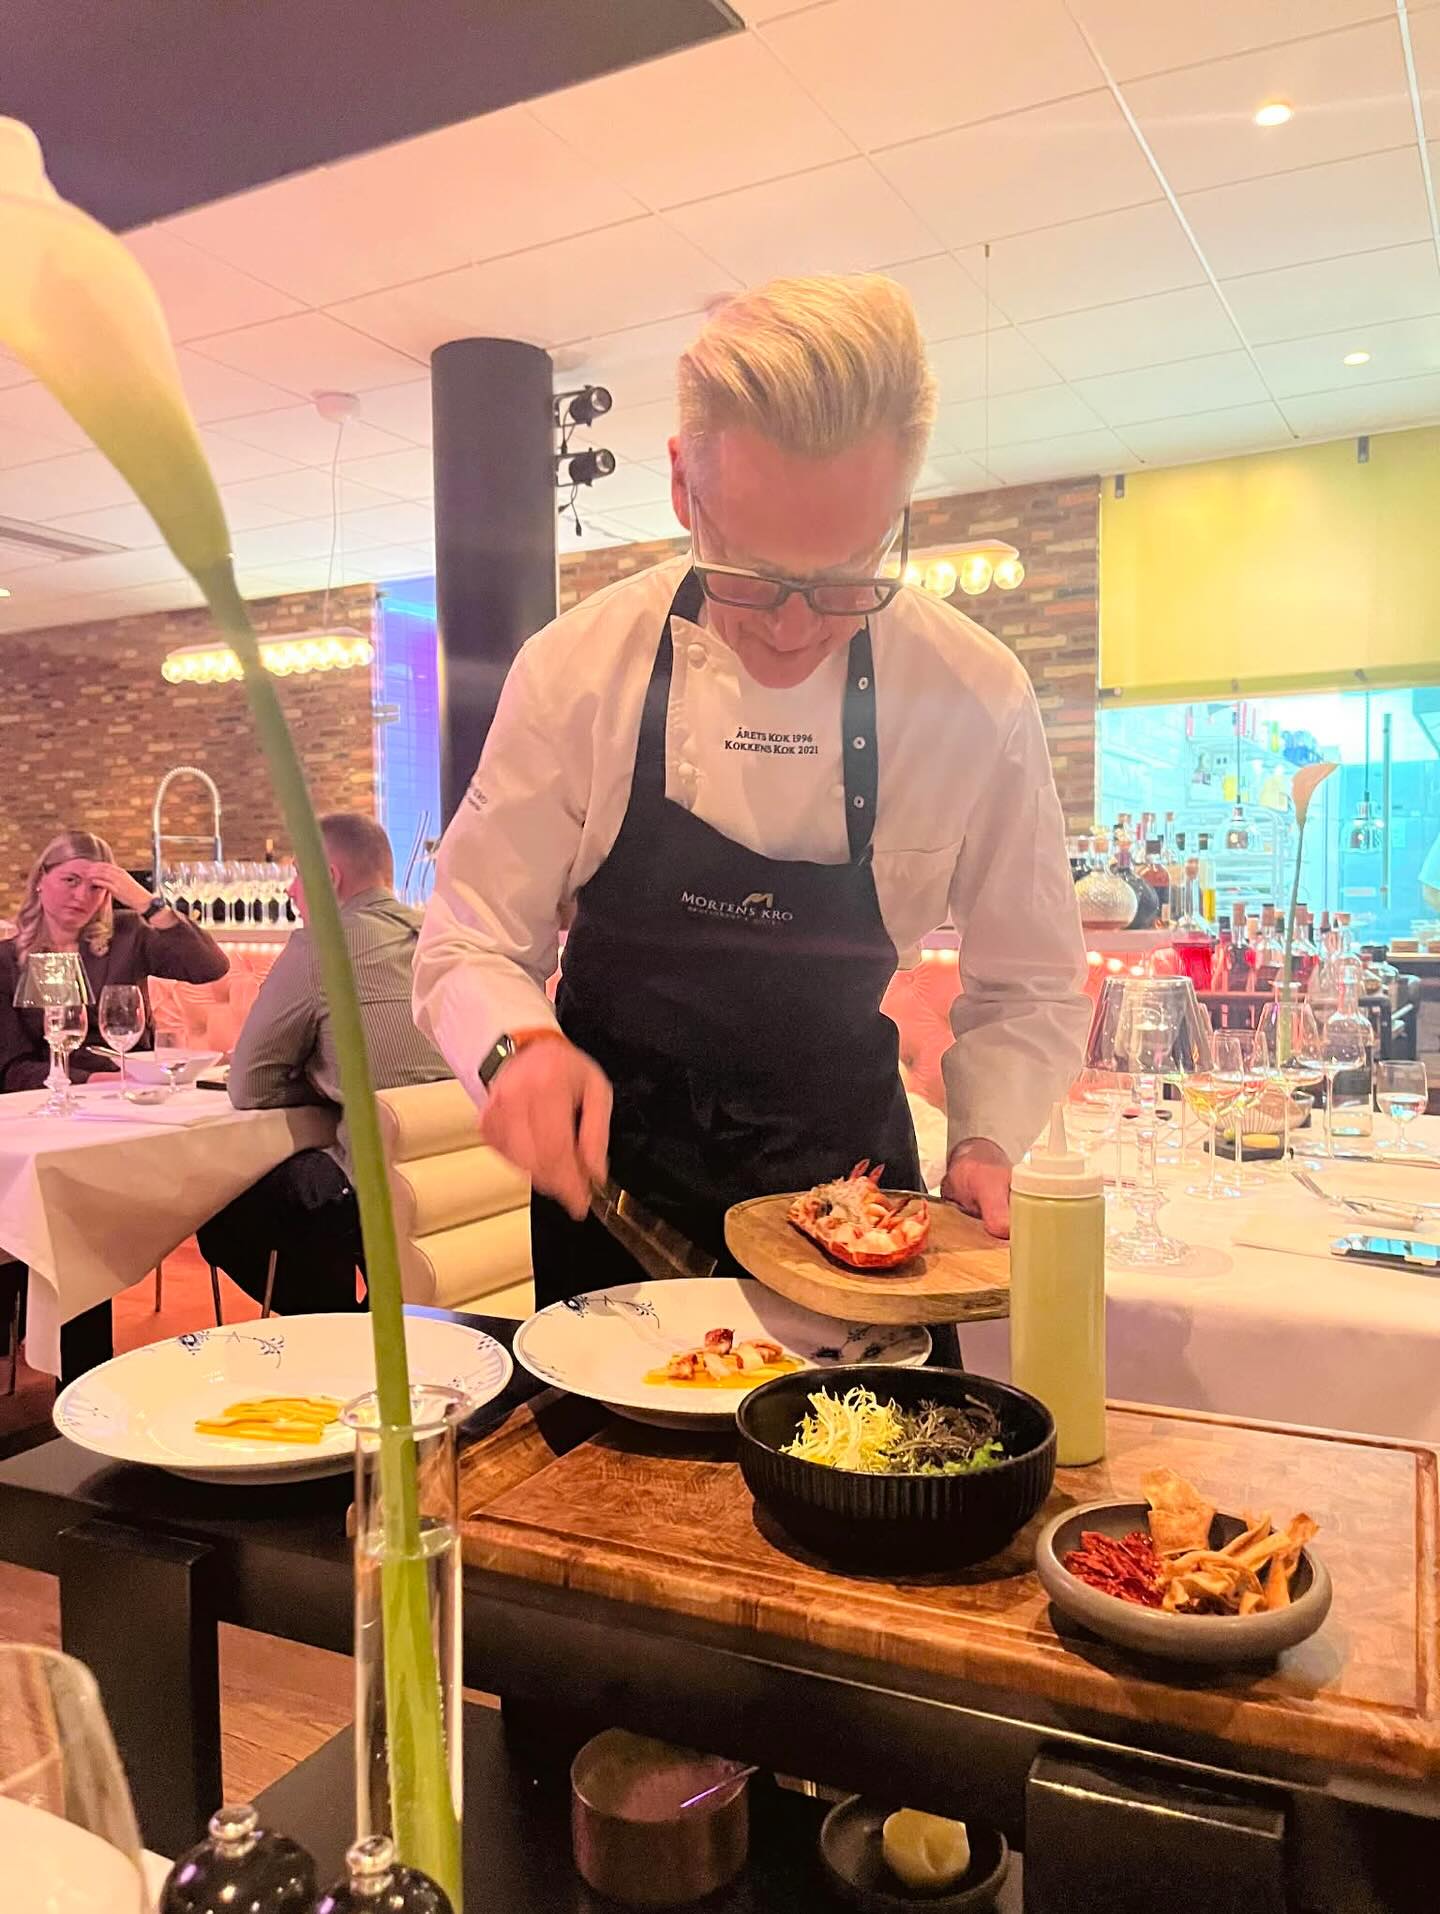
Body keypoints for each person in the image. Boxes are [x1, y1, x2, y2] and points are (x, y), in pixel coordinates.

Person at [414, 273, 1091, 1309]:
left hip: (857, 1203)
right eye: (752, 576)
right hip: (618, 1198)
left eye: (848, 580)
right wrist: (516, 1050)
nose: (794, 630)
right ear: (683, 488)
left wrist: (988, 1137)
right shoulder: (576, 672)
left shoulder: (973, 693)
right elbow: (467, 940)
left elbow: (1031, 984)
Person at [198, 812, 450, 1314]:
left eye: (297, 874)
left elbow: (249, 1085)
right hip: (471, 1177)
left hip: (375, 1185)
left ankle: (334, 1323)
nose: (291, 890)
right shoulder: (443, 937)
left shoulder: (322, 946)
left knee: (219, 1211)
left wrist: (325, 1084)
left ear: (329, 877)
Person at [0, 828, 227, 1091]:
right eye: (71, 880)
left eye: (96, 887)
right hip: (54, 1093)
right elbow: (11, 1070)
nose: (82, 896)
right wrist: (98, 1081)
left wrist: (148, 903)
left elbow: (209, 968)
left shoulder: (128, 935)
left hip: (137, 1087)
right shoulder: (6, 960)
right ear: (41, 878)